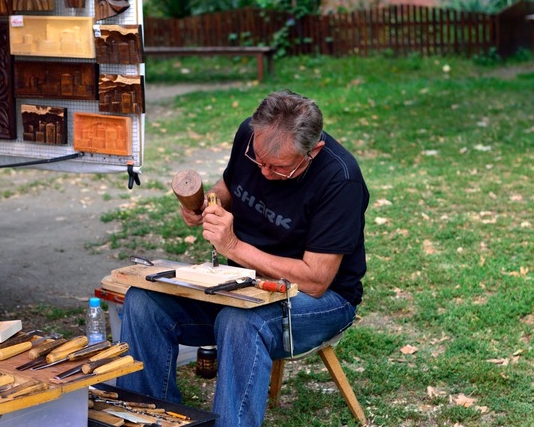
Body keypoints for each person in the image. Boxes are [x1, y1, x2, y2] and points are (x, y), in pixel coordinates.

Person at [117, 90, 369, 426]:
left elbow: (315, 279)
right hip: (243, 285)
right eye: (259, 160)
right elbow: (230, 187)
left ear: (314, 151)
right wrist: (209, 204)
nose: (264, 173)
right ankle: (144, 420)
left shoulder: (340, 179)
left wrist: (234, 247)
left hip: (320, 300)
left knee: (240, 323)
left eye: (279, 169)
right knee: (143, 302)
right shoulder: (250, 136)